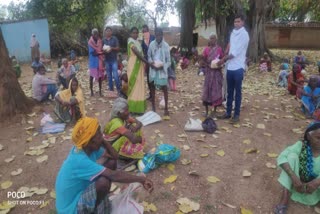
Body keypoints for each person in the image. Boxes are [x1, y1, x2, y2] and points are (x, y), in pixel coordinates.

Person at [55, 117, 153, 214]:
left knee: (111, 163)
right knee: (103, 182)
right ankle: (94, 210)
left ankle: (97, 205)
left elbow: (114, 156)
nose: (102, 135)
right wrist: (141, 179)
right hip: (71, 209)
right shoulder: (79, 160)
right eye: (98, 134)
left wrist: (102, 140)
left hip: (79, 193)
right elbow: (113, 175)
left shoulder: (87, 148)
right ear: (90, 140)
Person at [274, 122, 320, 214]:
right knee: (291, 157)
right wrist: (294, 177)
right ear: (308, 136)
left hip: (315, 189)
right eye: (318, 138)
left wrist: (318, 181)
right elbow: (282, 157)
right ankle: (285, 196)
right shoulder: (301, 145)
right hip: (298, 185)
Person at [218, 14, 249, 123]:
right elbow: (231, 45)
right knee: (229, 92)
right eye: (235, 21)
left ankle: (236, 115)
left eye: (238, 21)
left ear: (243, 22)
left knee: (238, 92)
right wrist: (225, 53)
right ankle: (227, 113)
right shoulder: (233, 33)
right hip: (230, 66)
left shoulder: (244, 35)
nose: (236, 23)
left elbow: (236, 52)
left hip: (239, 67)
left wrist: (223, 59)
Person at [148, 27, 171, 116]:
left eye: (159, 35)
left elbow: (168, 61)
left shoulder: (166, 46)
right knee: (152, 89)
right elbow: (149, 56)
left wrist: (163, 66)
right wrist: (152, 63)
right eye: (156, 35)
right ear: (155, 35)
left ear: (162, 35)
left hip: (162, 71)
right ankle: (153, 108)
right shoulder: (151, 44)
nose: (158, 36)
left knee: (164, 89)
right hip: (154, 70)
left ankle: (166, 108)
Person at [127, 27, 149, 114]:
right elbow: (136, 53)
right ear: (130, 34)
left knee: (140, 86)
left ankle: (139, 109)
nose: (135, 34)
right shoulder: (130, 41)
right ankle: (132, 109)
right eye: (133, 33)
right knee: (133, 86)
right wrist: (147, 62)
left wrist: (144, 64)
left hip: (139, 65)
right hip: (133, 66)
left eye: (136, 33)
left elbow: (141, 54)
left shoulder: (138, 43)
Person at [201, 34, 224, 117]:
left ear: (216, 39)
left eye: (213, 38)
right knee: (207, 91)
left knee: (216, 90)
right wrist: (205, 64)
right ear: (209, 40)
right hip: (209, 72)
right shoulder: (206, 49)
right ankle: (206, 111)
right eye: (210, 38)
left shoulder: (219, 49)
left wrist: (219, 64)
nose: (212, 40)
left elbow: (222, 59)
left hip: (217, 73)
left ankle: (214, 111)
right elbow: (203, 59)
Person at [103, 27, 121, 93]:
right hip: (107, 60)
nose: (108, 32)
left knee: (116, 75)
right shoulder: (103, 40)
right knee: (109, 76)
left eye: (109, 31)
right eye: (107, 31)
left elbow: (118, 48)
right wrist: (105, 50)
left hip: (114, 60)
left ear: (111, 32)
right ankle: (111, 91)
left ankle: (119, 90)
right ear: (105, 32)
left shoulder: (114, 39)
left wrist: (111, 48)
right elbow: (102, 50)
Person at [88, 28, 104, 97]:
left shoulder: (100, 41)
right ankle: (91, 91)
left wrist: (102, 51)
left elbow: (101, 49)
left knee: (100, 77)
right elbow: (93, 53)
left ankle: (100, 91)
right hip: (93, 62)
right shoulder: (90, 42)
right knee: (91, 76)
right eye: (94, 33)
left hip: (99, 61)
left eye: (97, 33)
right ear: (92, 34)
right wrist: (101, 53)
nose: (96, 35)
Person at [142, 24, 156, 100]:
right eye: (143, 31)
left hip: (153, 61)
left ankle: (153, 95)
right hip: (147, 62)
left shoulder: (153, 38)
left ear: (148, 30)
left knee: (153, 79)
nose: (145, 32)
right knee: (148, 79)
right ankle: (151, 95)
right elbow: (142, 50)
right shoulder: (143, 40)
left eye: (146, 31)